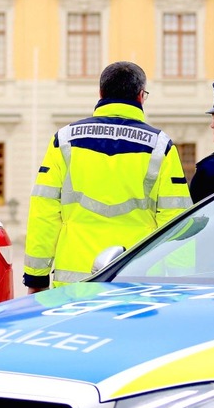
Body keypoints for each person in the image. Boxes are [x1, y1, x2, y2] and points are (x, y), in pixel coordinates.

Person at [24, 61, 191, 292]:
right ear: (141, 96)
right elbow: (176, 220)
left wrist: (35, 277)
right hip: (137, 279)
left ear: (100, 93)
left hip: (74, 283)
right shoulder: (160, 146)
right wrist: (180, 282)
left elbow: (44, 212)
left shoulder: (64, 140)